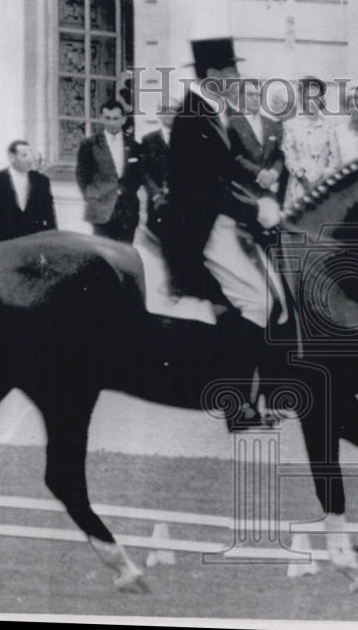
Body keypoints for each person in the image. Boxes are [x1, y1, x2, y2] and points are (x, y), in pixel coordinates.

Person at [162, 37, 286, 431]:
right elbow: (204, 188)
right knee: (258, 301)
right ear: (214, 75)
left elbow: (228, 168)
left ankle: (243, 401)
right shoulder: (192, 117)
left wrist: (259, 191)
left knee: (269, 299)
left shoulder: (214, 112)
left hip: (221, 220)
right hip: (198, 229)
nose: (238, 78)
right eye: (233, 72)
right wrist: (254, 209)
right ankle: (236, 405)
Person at [75, 99, 144, 243]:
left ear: (123, 119)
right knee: (103, 256)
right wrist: (93, 197)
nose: (111, 122)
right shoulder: (90, 144)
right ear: (101, 118)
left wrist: (126, 191)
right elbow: (82, 175)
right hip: (101, 209)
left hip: (127, 210)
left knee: (125, 255)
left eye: (115, 118)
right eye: (107, 118)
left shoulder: (134, 145)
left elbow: (139, 175)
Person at [281, 76, 342, 211]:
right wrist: (304, 180)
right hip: (298, 187)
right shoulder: (291, 125)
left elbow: (335, 160)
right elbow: (289, 156)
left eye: (317, 97)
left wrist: (322, 180)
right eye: (309, 97)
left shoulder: (329, 127)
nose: (313, 102)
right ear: (302, 98)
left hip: (323, 187)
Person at [0, 140, 56, 245]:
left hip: (33, 246)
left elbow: (50, 216)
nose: (30, 160)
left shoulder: (41, 181)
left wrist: (51, 244)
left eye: (31, 156)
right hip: (5, 246)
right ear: (12, 157)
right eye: (24, 155)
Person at [228, 78, 285, 201]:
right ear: (242, 97)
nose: (255, 98)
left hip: (269, 190)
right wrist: (259, 173)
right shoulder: (232, 123)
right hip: (244, 191)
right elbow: (234, 156)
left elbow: (279, 155)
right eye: (250, 94)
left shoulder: (272, 124)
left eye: (258, 95)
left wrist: (274, 173)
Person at [138, 97, 175, 240]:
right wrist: (156, 195)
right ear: (159, 113)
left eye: (172, 110)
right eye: (164, 110)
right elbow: (144, 172)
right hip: (156, 204)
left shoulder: (188, 140)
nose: (168, 114)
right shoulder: (149, 140)